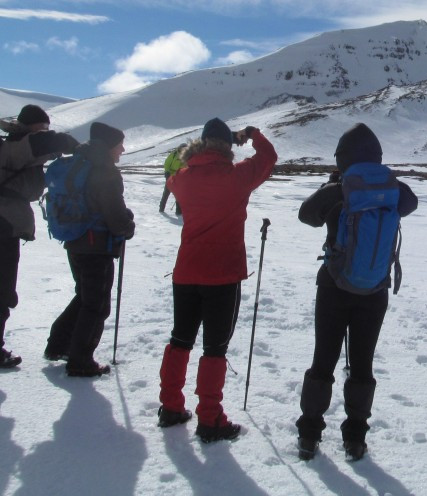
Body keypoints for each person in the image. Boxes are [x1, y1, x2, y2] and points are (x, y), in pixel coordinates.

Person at [295, 122, 418, 462]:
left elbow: (306, 215)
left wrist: (337, 186)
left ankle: (309, 434)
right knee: (362, 363)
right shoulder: (396, 189)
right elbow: (411, 204)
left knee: (324, 359)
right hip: (375, 290)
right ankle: (355, 439)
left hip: (333, 285)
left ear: (342, 159)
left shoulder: (339, 190)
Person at [157, 119, 277, 443]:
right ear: (227, 145)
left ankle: (170, 407)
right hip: (222, 275)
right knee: (214, 348)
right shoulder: (236, 177)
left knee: (180, 339)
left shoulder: (182, 179)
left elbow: (172, 179)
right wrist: (252, 136)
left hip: (186, 272)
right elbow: (268, 158)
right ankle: (209, 419)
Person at [46, 122, 135, 377]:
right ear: (109, 146)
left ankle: (59, 345)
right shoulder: (104, 171)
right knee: (96, 304)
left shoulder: (80, 162)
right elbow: (114, 216)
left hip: (74, 240)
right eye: (119, 144)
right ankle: (80, 360)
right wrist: (127, 226)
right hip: (96, 244)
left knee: (84, 296)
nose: (122, 149)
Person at [0, 105, 78, 369]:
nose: (45, 131)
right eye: (42, 126)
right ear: (30, 126)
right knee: (2, 287)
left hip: (7, 219)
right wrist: (78, 148)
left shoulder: (16, 144)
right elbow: (50, 141)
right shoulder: (19, 144)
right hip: (4, 220)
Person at [159, 146, 184, 214]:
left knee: (178, 193)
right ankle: (161, 208)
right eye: (182, 148)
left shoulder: (186, 156)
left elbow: (186, 166)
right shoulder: (174, 154)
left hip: (178, 176)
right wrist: (167, 171)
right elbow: (167, 163)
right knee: (166, 192)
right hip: (170, 174)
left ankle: (178, 211)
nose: (183, 150)